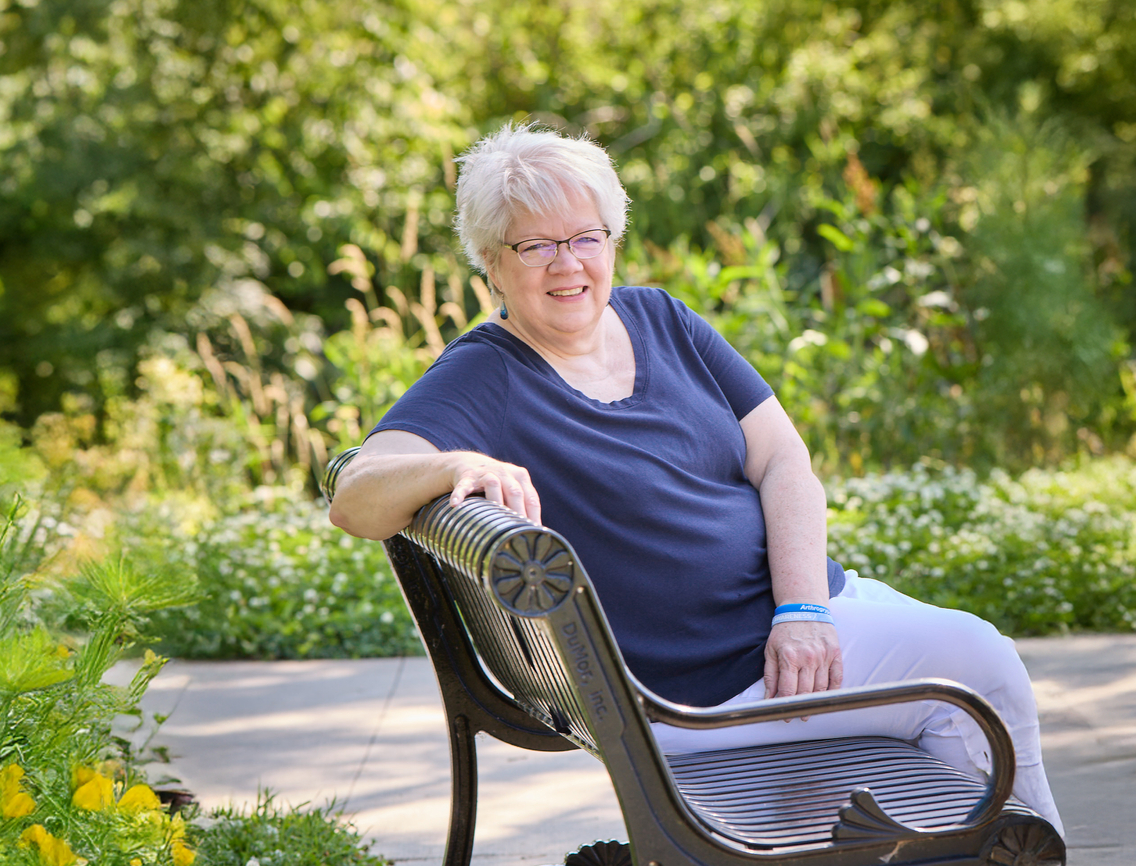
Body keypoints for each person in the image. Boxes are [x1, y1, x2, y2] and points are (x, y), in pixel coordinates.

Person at [327, 123, 1063, 833]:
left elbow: (785, 461)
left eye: (587, 237)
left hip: (801, 623)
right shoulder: (485, 372)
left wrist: (803, 611)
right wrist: (457, 461)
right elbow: (357, 496)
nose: (568, 263)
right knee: (980, 676)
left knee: (964, 674)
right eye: (536, 246)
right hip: (710, 691)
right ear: (492, 262)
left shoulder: (662, 318)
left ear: (612, 240)